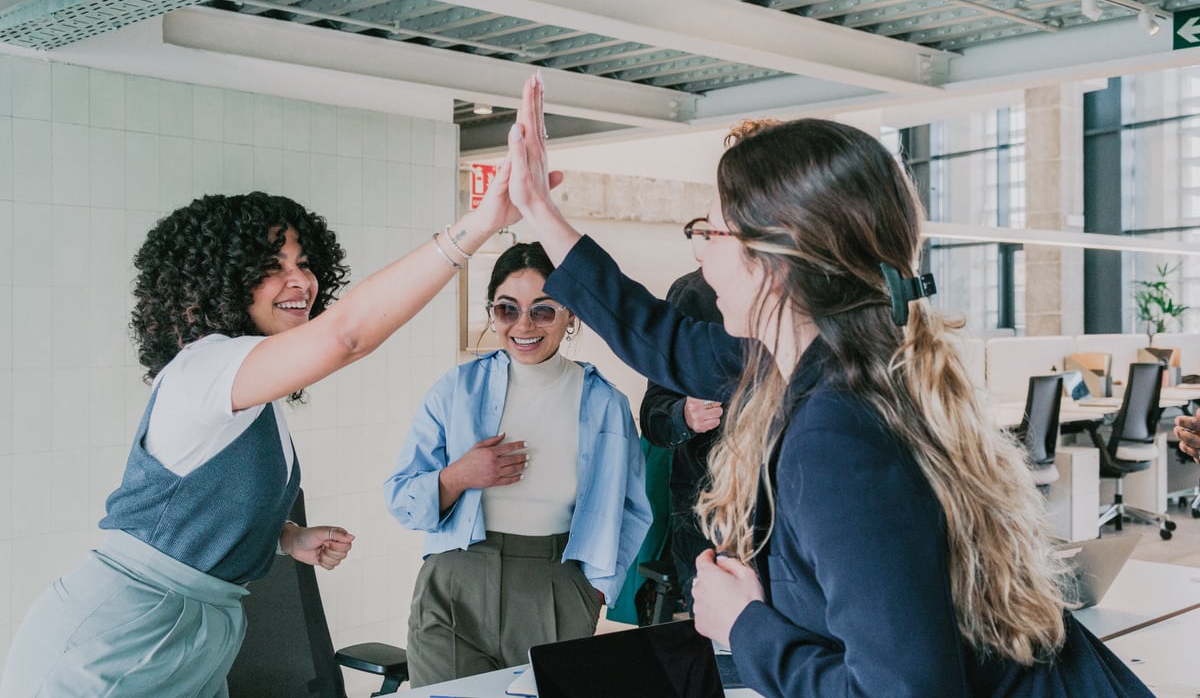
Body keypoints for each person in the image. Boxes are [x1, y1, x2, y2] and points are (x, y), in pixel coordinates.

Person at [501, 74, 1153, 697]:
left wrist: (744, 625)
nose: (700, 252)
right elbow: (665, 340)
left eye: (712, 231)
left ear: (775, 265)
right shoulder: (850, 357)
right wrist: (540, 210)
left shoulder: (837, 435)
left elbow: (905, 693)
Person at [0, 174, 526, 697]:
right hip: (124, 631)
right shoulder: (202, 368)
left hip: (201, 628)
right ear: (218, 283)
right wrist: (478, 226)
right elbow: (347, 336)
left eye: (303, 264)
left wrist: (287, 536)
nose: (300, 281)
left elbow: (202, 505)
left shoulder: (250, 393)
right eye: (271, 269)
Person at [384, 241, 652, 687]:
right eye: (507, 310)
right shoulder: (456, 389)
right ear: (493, 313)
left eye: (543, 311)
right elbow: (401, 498)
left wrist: (597, 589)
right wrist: (459, 476)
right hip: (455, 583)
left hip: (555, 584)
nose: (524, 325)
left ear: (570, 315)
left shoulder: (605, 403)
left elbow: (632, 508)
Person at [638, 267, 724, 614]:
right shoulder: (695, 294)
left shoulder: (818, 283)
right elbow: (654, 416)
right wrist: (684, 415)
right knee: (721, 654)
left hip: (795, 512)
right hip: (710, 518)